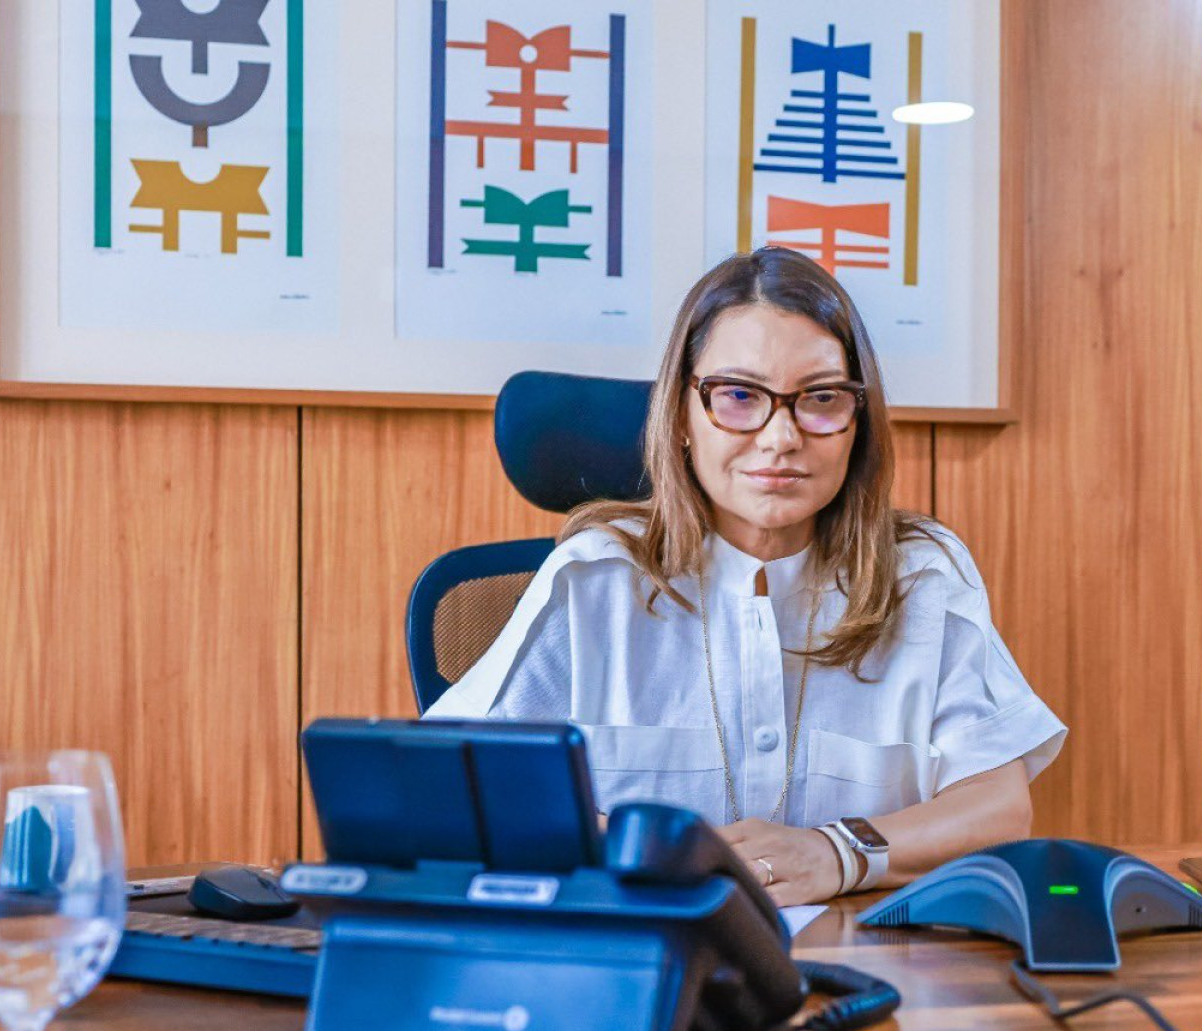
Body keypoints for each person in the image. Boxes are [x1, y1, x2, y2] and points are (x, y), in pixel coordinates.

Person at [429, 247, 1064, 905]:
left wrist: (838, 851)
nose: (780, 437)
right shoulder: (594, 583)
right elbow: (460, 785)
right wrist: (654, 856)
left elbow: (998, 807)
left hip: (869, 954)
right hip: (649, 947)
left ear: (858, 423)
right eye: (738, 396)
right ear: (680, 416)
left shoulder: (922, 578)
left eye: (821, 398)